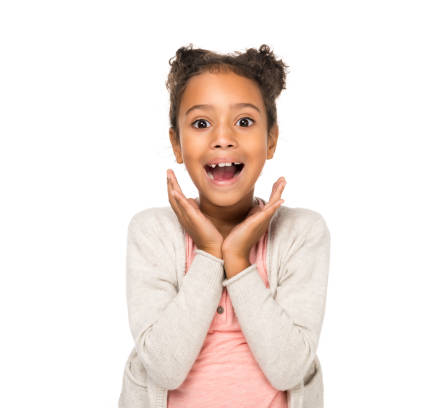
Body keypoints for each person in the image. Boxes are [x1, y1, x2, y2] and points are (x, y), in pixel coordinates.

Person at [118, 44, 331, 408]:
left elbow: (288, 370)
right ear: (177, 144)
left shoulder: (301, 233)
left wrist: (237, 259)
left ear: (271, 139)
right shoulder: (152, 232)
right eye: (201, 123)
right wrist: (210, 253)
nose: (223, 138)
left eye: (244, 121)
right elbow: (165, 369)